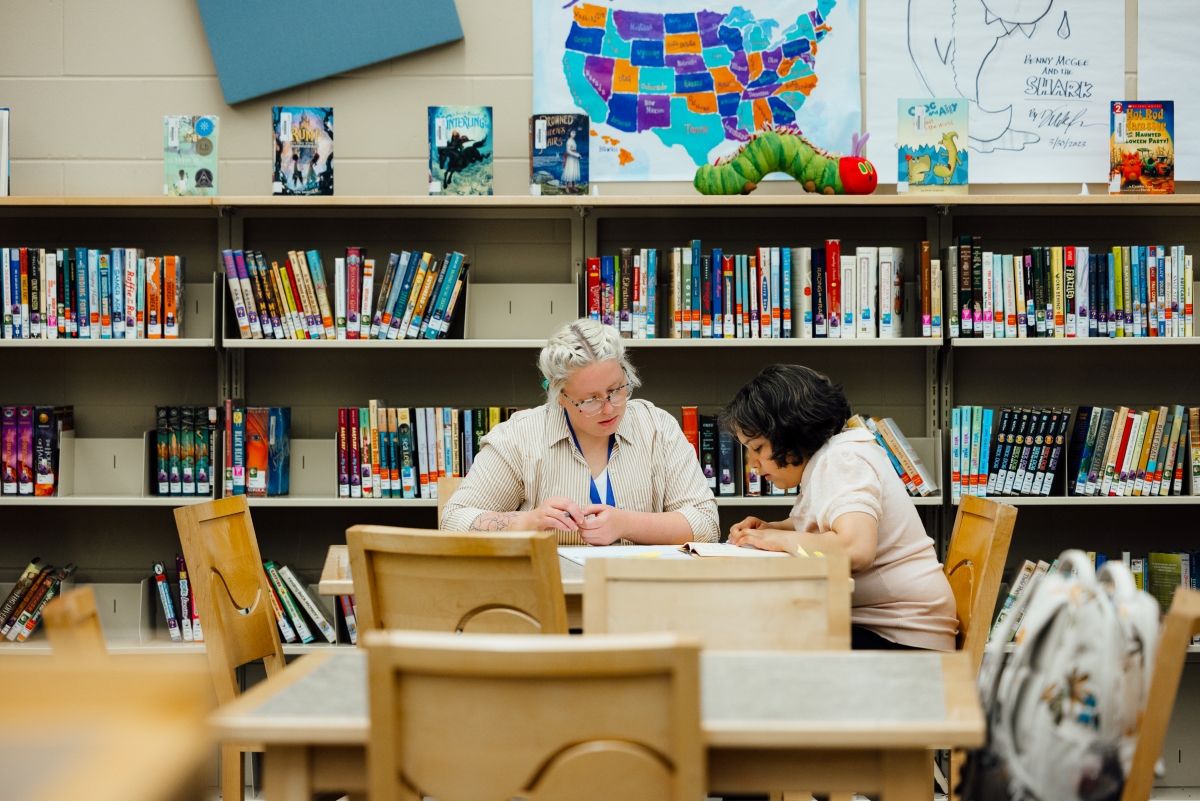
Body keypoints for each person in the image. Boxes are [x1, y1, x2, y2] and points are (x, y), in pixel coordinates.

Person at [722, 364, 958, 651]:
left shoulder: (842, 459)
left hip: (903, 636)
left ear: (792, 432)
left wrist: (777, 538)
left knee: (759, 641)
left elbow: (854, 548)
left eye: (757, 448)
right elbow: (823, 524)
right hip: (891, 626)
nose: (752, 464)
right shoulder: (836, 454)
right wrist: (771, 529)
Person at [441, 318, 719, 545]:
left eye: (616, 390)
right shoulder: (519, 438)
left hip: (643, 597)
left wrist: (626, 524)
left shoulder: (658, 428)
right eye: (590, 400)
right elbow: (452, 523)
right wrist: (528, 521)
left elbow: (707, 523)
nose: (609, 409)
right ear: (559, 396)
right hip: (553, 598)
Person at [560, 129, 581, 193]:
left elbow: (574, 149)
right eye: (573, 132)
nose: (574, 134)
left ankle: (573, 186)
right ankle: (566, 187)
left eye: (575, 132)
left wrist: (577, 155)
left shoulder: (573, 140)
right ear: (570, 133)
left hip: (574, 158)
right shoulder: (569, 141)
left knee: (574, 171)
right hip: (571, 159)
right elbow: (568, 151)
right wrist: (576, 155)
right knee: (570, 172)